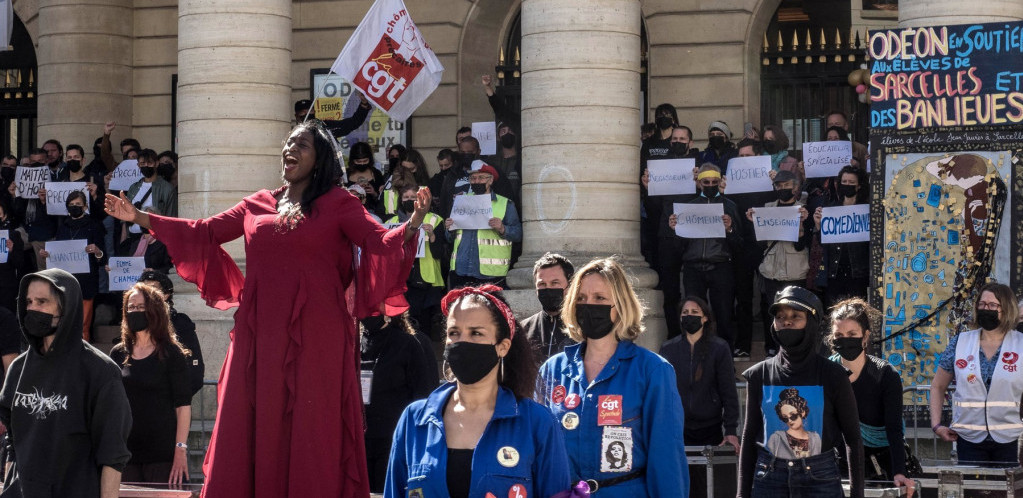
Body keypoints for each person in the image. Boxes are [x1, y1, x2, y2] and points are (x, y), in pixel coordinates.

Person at [104, 119, 430, 497]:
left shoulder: (341, 203)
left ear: (321, 157)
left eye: (302, 144)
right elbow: (203, 231)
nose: (290, 149)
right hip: (259, 333)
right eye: (288, 142)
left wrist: (413, 223)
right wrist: (140, 218)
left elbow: (378, 241)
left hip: (318, 333)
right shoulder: (257, 202)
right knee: (250, 421)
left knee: (310, 427)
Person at [385, 285, 572, 498]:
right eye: (454, 333)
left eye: (476, 333)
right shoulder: (414, 420)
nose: (462, 342)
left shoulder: (538, 423)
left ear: (503, 346)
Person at [537, 258, 689, 496]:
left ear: (620, 306)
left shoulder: (653, 371)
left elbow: (667, 458)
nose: (589, 305)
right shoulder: (551, 371)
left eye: (600, 298)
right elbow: (538, 453)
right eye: (581, 299)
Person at [0, 269, 132, 498]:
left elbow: (112, 455)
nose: (32, 309)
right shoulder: (18, 368)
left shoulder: (99, 370)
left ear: (66, 307)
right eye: (29, 301)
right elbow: (13, 443)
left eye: (42, 302)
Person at [737, 285, 863, 498]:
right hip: (768, 478)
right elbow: (749, 437)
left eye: (796, 316)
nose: (786, 321)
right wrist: (741, 493)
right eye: (780, 316)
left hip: (820, 478)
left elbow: (852, 438)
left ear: (811, 323)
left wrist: (857, 494)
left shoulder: (833, 375)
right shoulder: (759, 375)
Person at [827, 298, 915, 496]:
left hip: (881, 466)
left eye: (852, 334)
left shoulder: (885, 375)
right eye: (839, 335)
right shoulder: (826, 373)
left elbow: (893, 429)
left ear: (865, 337)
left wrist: (899, 471)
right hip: (839, 466)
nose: (845, 340)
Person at [108, 282, 193, 484]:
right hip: (127, 452)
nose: (134, 311)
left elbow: (183, 406)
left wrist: (180, 448)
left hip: (162, 454)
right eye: (130, 307)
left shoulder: (171, 353)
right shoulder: (118, 353)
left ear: (153, 310)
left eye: (140, 307)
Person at [931, 283, 1023, 466]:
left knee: (1006, 493)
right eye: (981, 304)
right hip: (968, 438)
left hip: (1008, 439)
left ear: (1006, 309)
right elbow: (938, 386)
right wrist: (936, 425)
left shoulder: (1020, 344)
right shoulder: (960, 342)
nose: (985, 309)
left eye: (992, 305)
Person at [659, 296, 739, 497]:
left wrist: (731, 429)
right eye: (685, 313)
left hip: (710, 428)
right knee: (682, 483)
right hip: (679, 428)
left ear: (705, 318)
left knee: (708, 484)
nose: (689, 317)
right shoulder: (668, 349)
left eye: (695, 313)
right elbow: (662, 392)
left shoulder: (719, 348)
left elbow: (728, 390)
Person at [667, 164, 744, 349]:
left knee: (724, 314)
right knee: (693, 315)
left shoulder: (730, 206)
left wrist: (730, 229)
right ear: (698, 183)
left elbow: (739, 244)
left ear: (719, 182)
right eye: (706, 182)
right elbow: (678, 247)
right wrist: (674, 230)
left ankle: (726, 357)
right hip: (693, 267)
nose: (710, 185)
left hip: (720, 265)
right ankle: (695, 352)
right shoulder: (688, 208)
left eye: (714, 182)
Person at [360, 307, 436, 493]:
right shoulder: (355, 343)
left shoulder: (408, 343)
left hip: (394, 438)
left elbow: (423, 393)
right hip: (360, 437)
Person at [746, 170, 811, 357]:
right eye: (779, 186)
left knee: (795, 312)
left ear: (795, 187)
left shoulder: (803, 210)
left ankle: (795, 347)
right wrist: (753, 223)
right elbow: (758, 243)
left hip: (795, 270)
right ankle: (771, 348)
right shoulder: (767, 209)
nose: (782, 189)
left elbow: (802, 245)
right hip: (771, 270)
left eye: (786, 186)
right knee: (772, 311)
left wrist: (802, 224)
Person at [39, 191, 106, 341]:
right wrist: (48, 255)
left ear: (85, 206)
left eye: (78, 204)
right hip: (67, 282)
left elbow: (102, 258)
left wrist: (97, 251)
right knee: (66, 322)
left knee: (83, 324)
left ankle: (83, 352)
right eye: (71, 205)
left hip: (87, 281)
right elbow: (59, 252)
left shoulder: (94, 226)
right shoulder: (63, 227)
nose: (74, 207)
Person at [444, 163, 521, 289]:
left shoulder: (505, 204)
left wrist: (502, 228)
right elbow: (449, 238)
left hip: (491, 274)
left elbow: (518, 234)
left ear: (490, 180)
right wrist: (449, 228)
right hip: (461, 269)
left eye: (481, 178)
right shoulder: (461, 202)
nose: (476, 181)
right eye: (473, 178)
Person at [385, 184, 446, 340]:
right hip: (400, 278)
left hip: (425, 279)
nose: (410, 201)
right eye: (406, 198)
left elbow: (440, 253)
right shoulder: (391, 222)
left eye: (414, 198)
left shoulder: (435, 219)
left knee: (423, 324)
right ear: (400, 200)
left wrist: (432, 235)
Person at [137, 270, 205, 396]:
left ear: (166, 294)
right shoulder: (133, 324)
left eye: (152, 289)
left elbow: (194, 372)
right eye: (143, 289)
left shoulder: (180, 323)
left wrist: (177, 401)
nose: (147, 294)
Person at [812, 165, 870, 306]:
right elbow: (823, 243)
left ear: (859, 186)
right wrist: (819, 225)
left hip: (858, 274)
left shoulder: (867, 210)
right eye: (844, 182)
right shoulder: (831, 208)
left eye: (851, 183)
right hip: (835, 273)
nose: (847, 185)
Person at [521, 252, 575, 364]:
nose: (548, 288)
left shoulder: (583, 327)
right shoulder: (524, 329)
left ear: (570, 286)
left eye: (555, 283)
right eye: (542, 284)